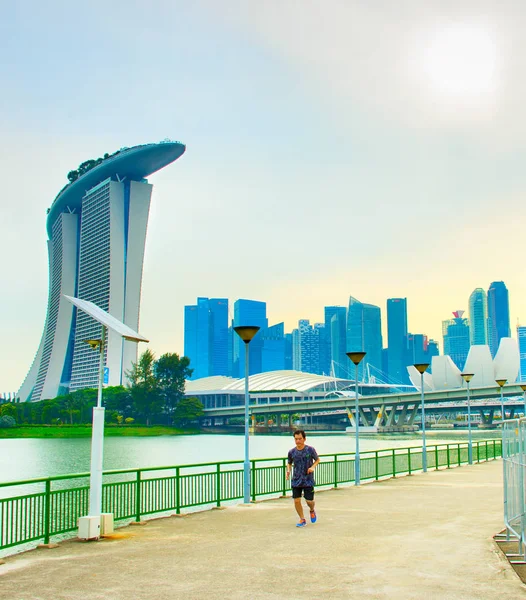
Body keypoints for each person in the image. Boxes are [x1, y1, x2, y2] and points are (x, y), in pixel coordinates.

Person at [286, 429, 320, 527]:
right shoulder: (292, 452)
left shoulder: (310, 450)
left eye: (300, 439)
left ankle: (312, 510)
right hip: (296, 480)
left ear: (304, 439)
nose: (298, 441)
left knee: (309, 501)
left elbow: (317, 460)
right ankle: (302, 519)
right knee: (296, 500)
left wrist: (312, 467)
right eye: (296, 439)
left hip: (308, 479)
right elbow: (289, 463)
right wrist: (288, 471)